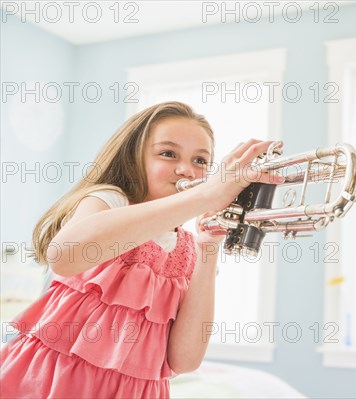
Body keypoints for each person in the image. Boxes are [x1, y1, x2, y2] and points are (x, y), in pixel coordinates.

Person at [0, 101, 283, 398]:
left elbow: (184, 360)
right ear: (134, 158)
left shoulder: (190, 248)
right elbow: (65, 256)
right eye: (168, 153)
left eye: (201, 161)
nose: (187, 170)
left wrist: (208, 247)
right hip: (53, 384)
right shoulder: (110, 201)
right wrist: (206, 194)